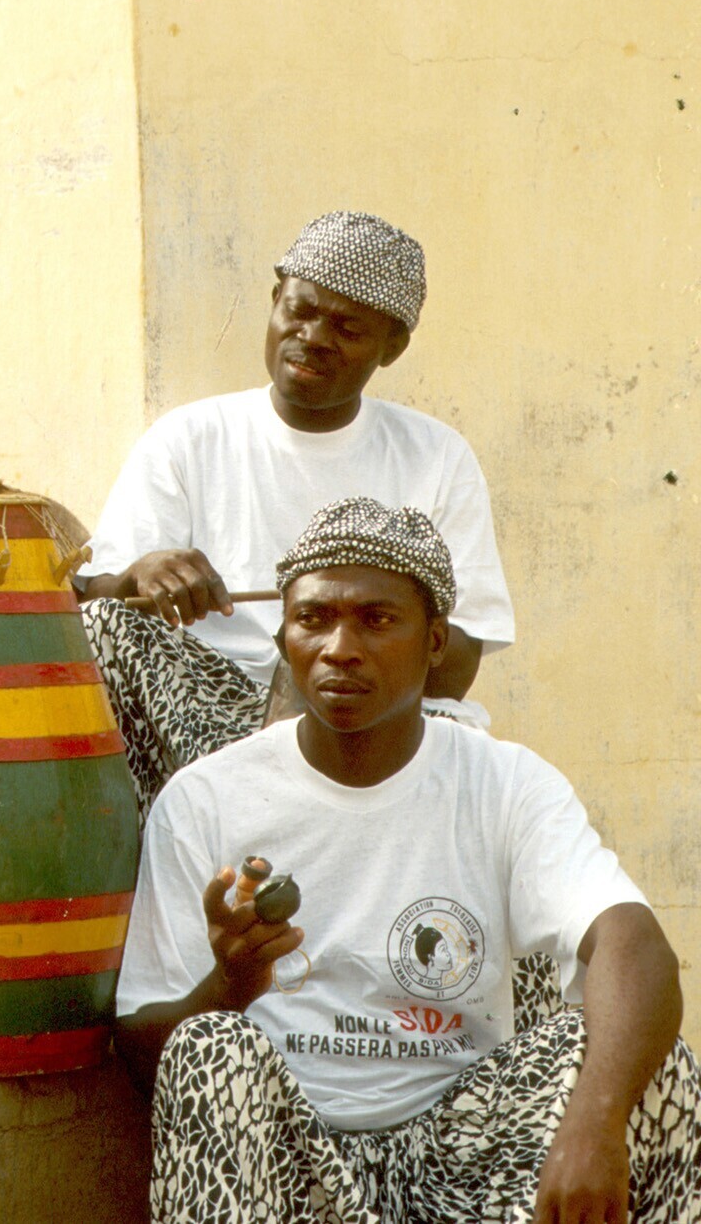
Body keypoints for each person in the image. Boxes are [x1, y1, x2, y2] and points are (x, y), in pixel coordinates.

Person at [113, 498, 698, 1224]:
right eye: (313, 619)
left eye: (376, 619)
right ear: (284, 636)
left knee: (644, 1063)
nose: (339, 648)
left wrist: (594, 1125)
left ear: (435, 641)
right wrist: (228, 985)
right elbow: (145, 1053)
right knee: (210, 1047)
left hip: (464, 1145)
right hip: (289, 1157)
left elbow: (631, 941)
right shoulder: (207, 798)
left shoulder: (504, 783)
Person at [76, 212, 516, 823]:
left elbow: (458, 653)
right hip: (210, 721)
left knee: (449, 753)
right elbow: (99, 603)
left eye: (347, 328)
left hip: (367, 712)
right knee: (103, 623)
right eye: (300, 310)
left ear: (391, 347)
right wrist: (139, 576)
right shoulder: (188, 438)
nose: (312, 337)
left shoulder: (436, 455)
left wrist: (345, 653)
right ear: (274, 300)